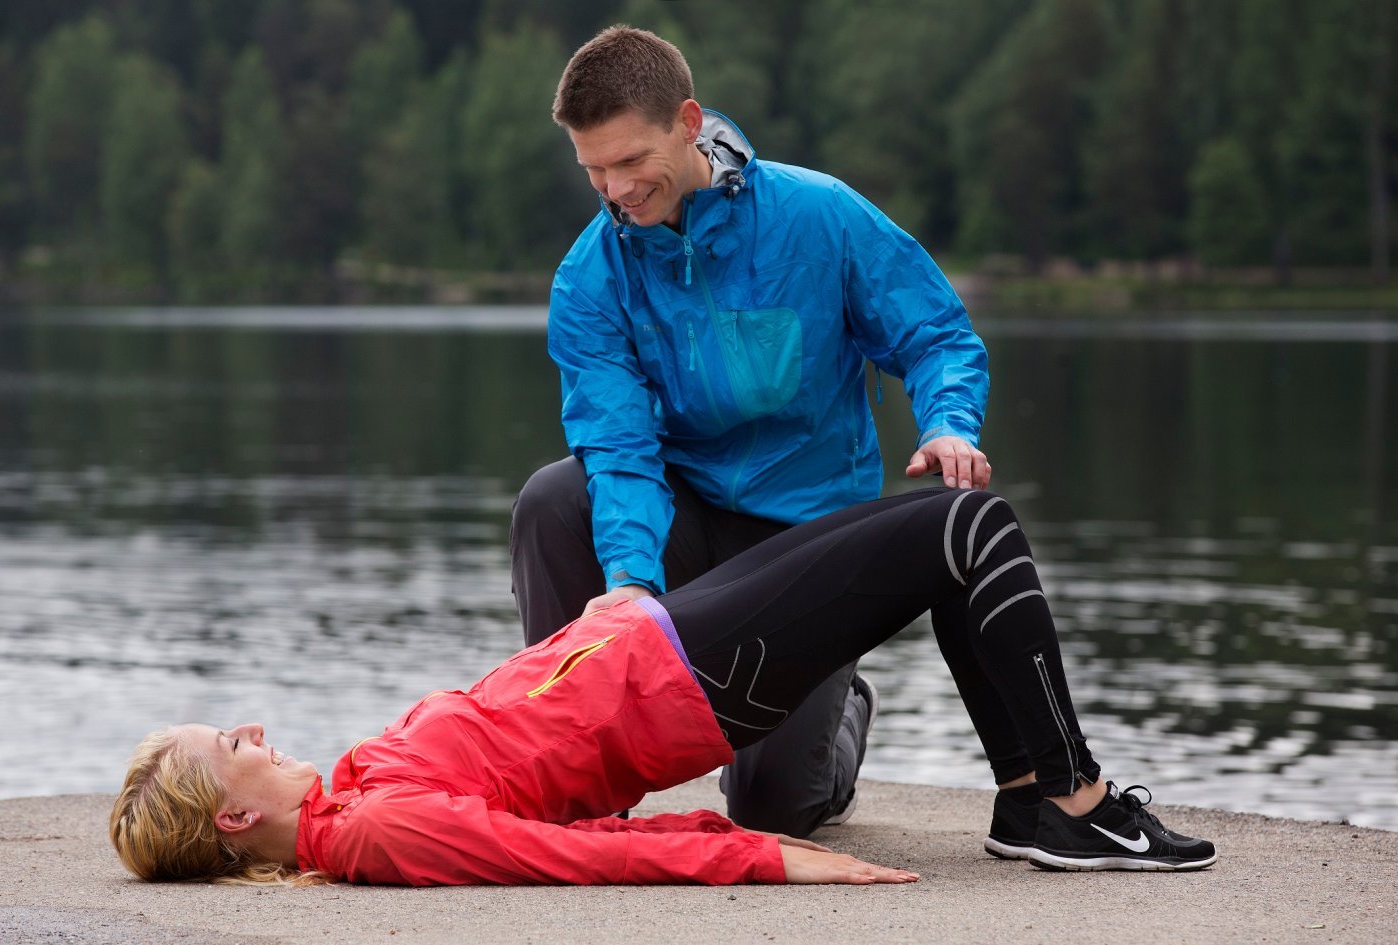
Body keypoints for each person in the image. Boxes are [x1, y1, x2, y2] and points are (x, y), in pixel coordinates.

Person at [110, 488, 1216, 887]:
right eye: (230, 740)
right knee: (972, 530)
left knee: (954, 536)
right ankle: (1068, 802)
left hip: (661, 642)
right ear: (235, 813)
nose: (251, 725)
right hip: (690, 678)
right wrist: (769, 856)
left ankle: (1037, 796)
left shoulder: (353, 793)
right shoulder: (371, 832)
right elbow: (573, 854)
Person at [512, 24, 993, 838]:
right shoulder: (591, 275)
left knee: (774, 811)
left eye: (631, 162)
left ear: (688, 122)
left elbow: (936, 335)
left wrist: (948, 424)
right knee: (555, 498)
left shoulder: (821, 215)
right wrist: (630, 578)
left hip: (806, 537)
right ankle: (578, 764)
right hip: (688, 521)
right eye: (593, 169)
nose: (615, 189)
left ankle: (841, 703)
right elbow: (617, 444)